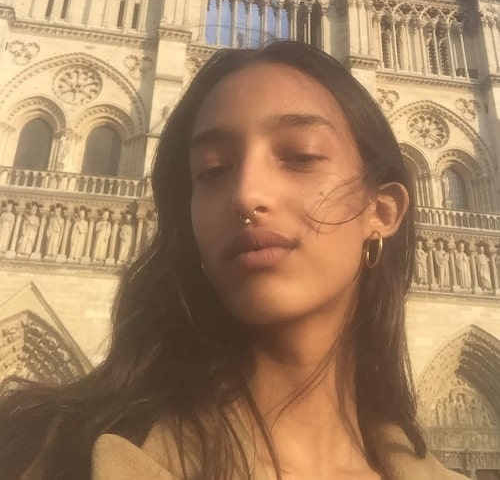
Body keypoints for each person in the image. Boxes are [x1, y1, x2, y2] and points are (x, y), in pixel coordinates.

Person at [0, 41, 462, 479]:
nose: (245, 194)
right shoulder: (40, 452)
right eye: (213, 171)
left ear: (381, 211)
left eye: (300, 156)